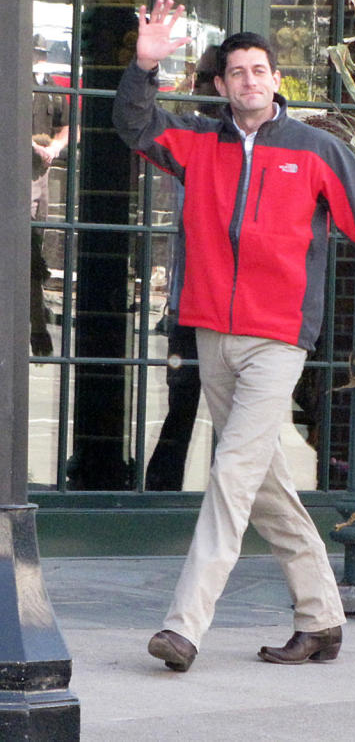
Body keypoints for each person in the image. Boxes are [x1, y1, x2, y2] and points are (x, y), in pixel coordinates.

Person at [113, 0, 355, 672]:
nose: (249, 81)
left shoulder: (316, 150)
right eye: (237, 73)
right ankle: (322, 617)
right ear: (220, 85)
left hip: (279, 339)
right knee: (264, 484)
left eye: (260, 71)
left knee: (231, 475)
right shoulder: (196, 142)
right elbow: (132, 123)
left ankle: (183, 626)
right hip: (213, 335)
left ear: (277, 81)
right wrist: (145, 64)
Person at [145, 45, 219, 492]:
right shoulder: (190, 138)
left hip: (234, 313)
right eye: (195, 76)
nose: (195, 86)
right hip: (187, 308)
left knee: (241, 425)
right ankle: (160, 496)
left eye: (204, 76)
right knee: (181, 407)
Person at [31, 33, 69, 357]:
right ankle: (35, 325)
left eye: (42, 52)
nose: (39, 57)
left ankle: (35, 315)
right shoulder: (19, 81)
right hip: (21, 168)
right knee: (28, 252)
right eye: (36, 52)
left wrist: (56, 146)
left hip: (42, 172)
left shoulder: (53, 88)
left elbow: (67, 126)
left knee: (37, 243)